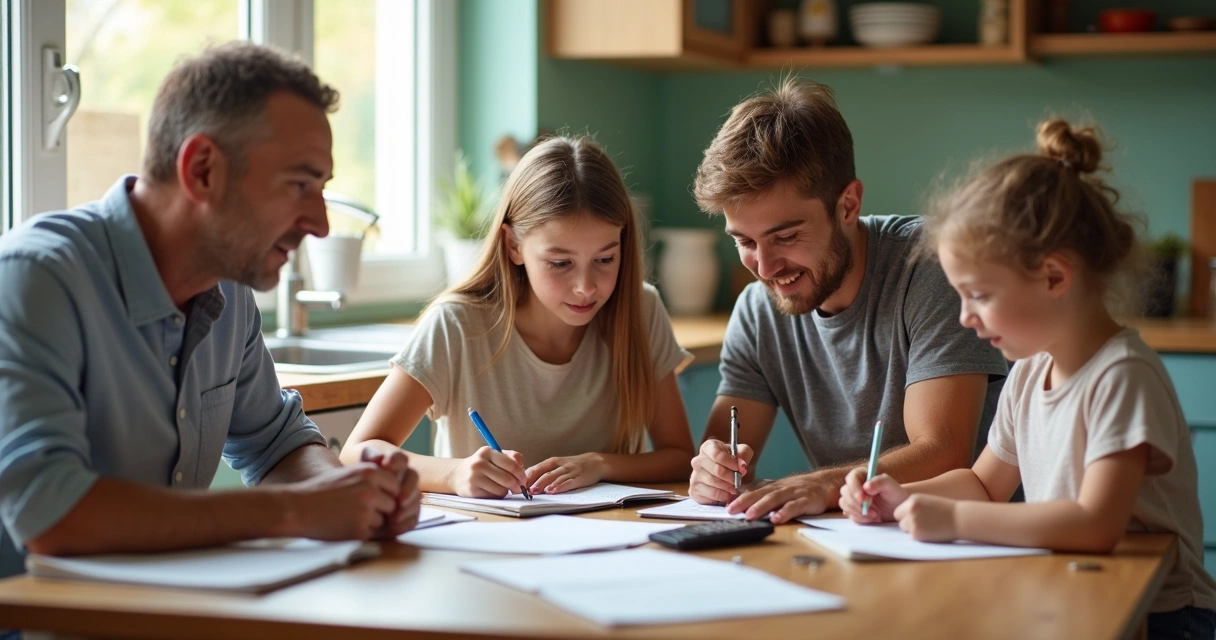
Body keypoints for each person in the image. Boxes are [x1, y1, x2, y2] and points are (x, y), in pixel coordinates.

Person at [0, 42, 420, 584]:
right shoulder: (35, 277)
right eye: (299, 184)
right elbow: (48, 514)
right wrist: (298, 512)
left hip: (164, 612)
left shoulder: (228, 291)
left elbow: (277, 446)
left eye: (322, 189)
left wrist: (355, 496)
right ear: (202, 170)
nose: (319, 223)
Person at [839, 118, 1216, 639]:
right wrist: (899, 497)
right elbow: (983, 486)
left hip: (1164, 614)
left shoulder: (1122, 376)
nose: (965, 317)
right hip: (1077, 584)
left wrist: (953, 522)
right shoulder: (1028, 373)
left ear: (1054, 277)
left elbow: (1096, 525)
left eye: (980, 295)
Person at [688, 77, 1008, 524]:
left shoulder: (932, 265)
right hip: (856, 537)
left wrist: (820, 485)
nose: (764, 267)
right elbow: (721, 458)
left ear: (848, 205)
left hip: (980, 538)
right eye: (744, 241)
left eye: (786, 236)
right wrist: (712, 472)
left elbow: (944, 452)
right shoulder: (759, 309)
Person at [341, 136, 695, 498]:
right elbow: (356, 453)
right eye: (560, 263)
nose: (585, 287)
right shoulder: (457, 325)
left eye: (605, 260)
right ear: (513, 246)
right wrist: (453, 475)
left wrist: (598, 464)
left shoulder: (641, 309)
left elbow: (681, 457)